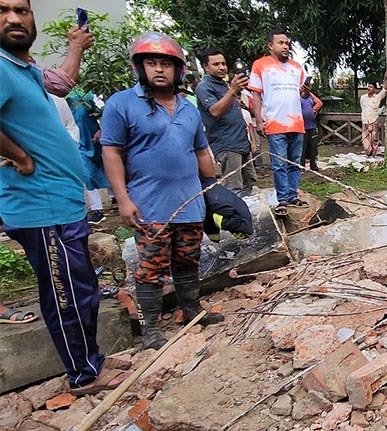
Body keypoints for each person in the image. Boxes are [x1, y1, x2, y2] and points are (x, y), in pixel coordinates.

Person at [0, 0, 131, 394]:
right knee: (65, 294)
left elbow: (59, 83)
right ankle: (83, 374)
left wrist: (75, 47)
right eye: (2, 10)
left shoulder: (22, 67)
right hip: (40, 206)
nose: (13, 18)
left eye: (21, 10)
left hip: (61, 202)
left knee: (81, 287)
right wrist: (20, 156)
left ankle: (92, 358)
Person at [101, 32, 223, 350]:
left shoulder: (188, 109)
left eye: (166, 64)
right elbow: (111, 152)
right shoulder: (121, 104)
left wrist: (213, 192)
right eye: (152, 63)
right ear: (139, 67)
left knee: (188, 259)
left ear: (177, 70)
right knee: (151, 267)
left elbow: (201, 152)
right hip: (148, 204)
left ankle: (192, 309)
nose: (159, 69)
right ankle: (151, 328)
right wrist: (122, 199)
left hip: (190, 201)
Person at [249, 28, 308, 215]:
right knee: (279, 164)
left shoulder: (296, 68)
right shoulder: (260, 65)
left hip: (297, 123)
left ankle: (292, 195)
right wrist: (259, 121)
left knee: (295, 163)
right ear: (270, 45)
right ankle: (282, 199)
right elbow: (256, 95)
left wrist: (306, 92)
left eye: (287, 43)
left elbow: (301, 93)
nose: (285, 46)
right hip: (275, 124)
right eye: (280, 43)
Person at [195, 48, 257, 196]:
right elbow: (215, 111)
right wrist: (233, 90)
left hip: (241, 142)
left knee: (250, 181)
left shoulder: (224, 85)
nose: (222, 67)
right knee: (234, 186)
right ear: (205, 67)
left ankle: (248, 209)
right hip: (226, 144)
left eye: (223, 63)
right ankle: (234, 210)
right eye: (216, 64)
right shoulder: (204, 87)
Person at [67, 88, 110, 224]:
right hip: (78, 140)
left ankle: (115, 196)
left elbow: (104, 111)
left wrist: (103, 129)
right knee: (88, 173)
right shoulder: (63, 97)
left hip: (95, 135)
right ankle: (97, 209)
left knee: (107, 165)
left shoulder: (88, 92)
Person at [299, 83, 323, 170]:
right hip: (302, 127)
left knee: (313, 147)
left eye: (307, 88)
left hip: (311, 126)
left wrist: (313, 110)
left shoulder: (310, 96)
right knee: (303, 147)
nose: (305, 89)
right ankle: (301, 166)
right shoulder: (297, 97)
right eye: (304, 87)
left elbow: (319, 103)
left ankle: (313, 165)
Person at [360, 82, 386, 157]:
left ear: (374, 89)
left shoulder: (377, 97)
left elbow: (384, 90)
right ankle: (368, 152)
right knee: (365, 138)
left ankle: (374, 153)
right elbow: (362, 107)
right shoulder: (363, 97)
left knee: (374, 138)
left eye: (371, 87)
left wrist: (385, 79)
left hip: (373, 119)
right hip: (365, 119)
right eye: (368, 87)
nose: (369, 88)